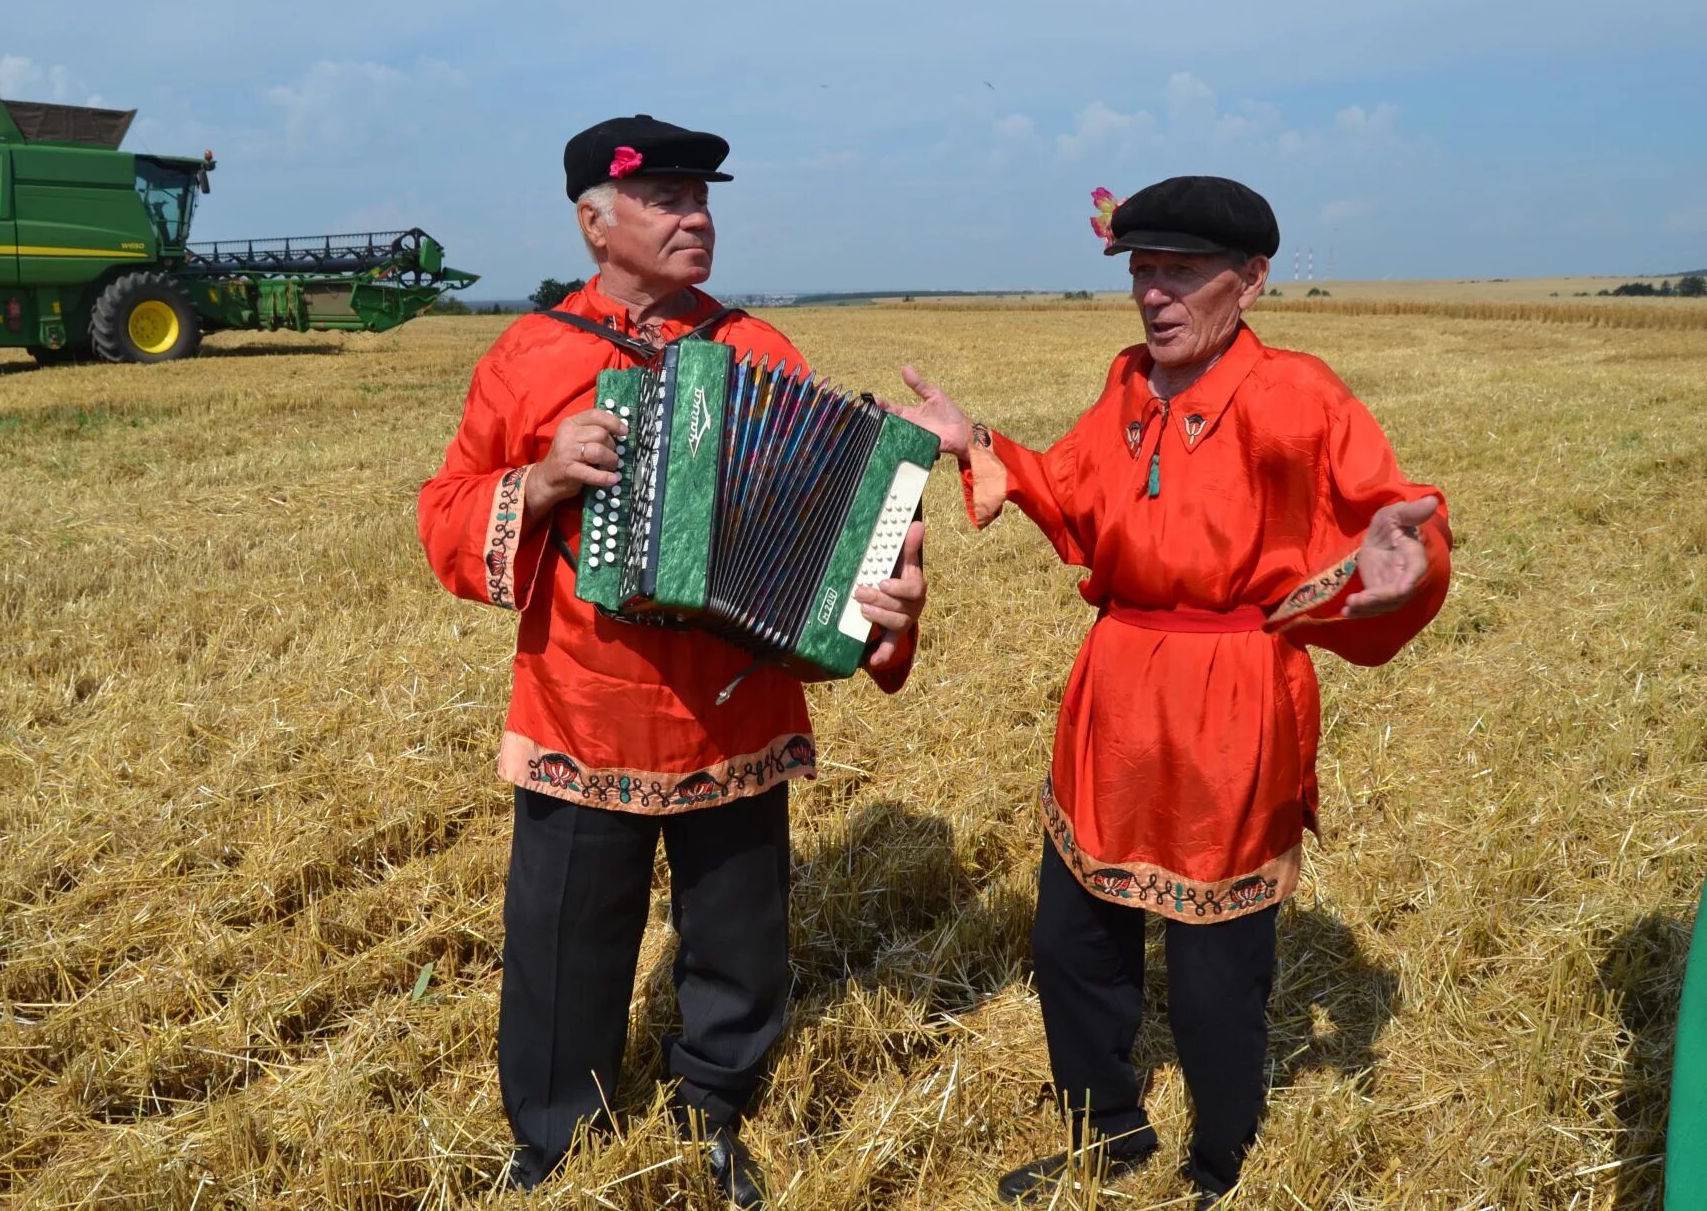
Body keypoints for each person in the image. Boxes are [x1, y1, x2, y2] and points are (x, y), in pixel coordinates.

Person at [892, 176, 1450, 1208]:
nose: (1154, 294)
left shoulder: (1300, 396)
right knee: (1070, 938)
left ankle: (1221, 1164)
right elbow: (1067, 493)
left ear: (1252, 281)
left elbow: (1401, 527)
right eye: (1142, 270)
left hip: (1232, 698)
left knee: (1213, 967)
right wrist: (976, 440)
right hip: (1114, 693)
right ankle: (1108, 1134)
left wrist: (1401, 563)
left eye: (1180, 271)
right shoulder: (1126, 390)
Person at [416, 115, 927, 1208]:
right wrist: (545, 481)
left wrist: (883, 589)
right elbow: (444, 514)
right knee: (564, 943)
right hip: (580, 701)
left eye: (704, 198)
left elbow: (839, 512)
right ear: (594, 220)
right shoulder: (531, 354)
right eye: (667, 199)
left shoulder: (761, 352)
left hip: (730, 705)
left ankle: (713, 1109)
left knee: (739, 944)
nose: (696, 216)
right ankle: (554, 1137)